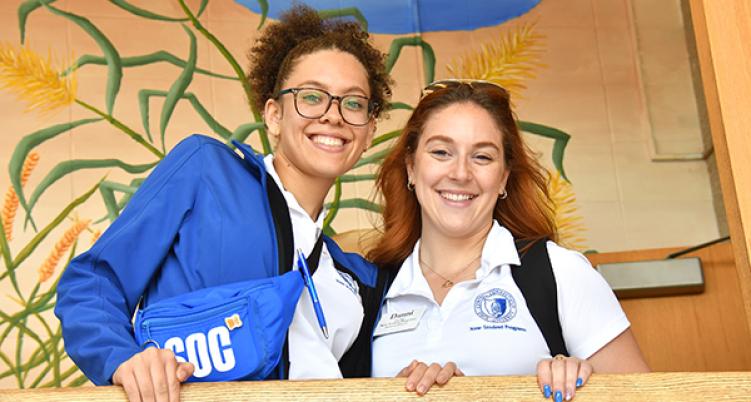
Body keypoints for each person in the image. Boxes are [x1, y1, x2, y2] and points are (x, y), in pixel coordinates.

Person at [55, 6, 449, 402]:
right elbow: (92, 282)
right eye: (311, 97)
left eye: (353, 103)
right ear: (273, 116)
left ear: (367, 133)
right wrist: (125, 360)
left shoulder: (360, 279)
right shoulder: (207, 173)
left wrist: (416, 377)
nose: (333, 115)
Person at [368, 80, 650, 401]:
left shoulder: (559, 273)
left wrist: (585, 388)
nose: (460, 173)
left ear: (503, 177)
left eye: (483, 157)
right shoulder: (371, 289)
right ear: (411, 167)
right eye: (441, 152)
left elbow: (644, 397)